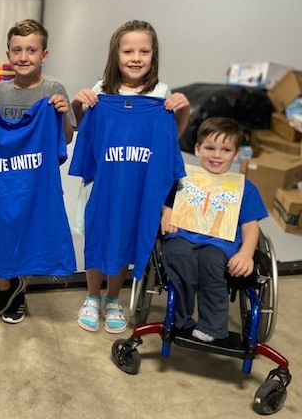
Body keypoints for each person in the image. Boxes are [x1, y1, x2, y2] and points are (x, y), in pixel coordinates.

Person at [70, 20, 190, 334]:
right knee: (98, 238)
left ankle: (113, 298)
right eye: (128, 51)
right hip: (102, 183)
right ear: (116, 54)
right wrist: (78, 104)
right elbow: (86, 130)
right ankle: (92, 296)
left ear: (154, 55)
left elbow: (169, 141)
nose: (136, 57)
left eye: (144, 51)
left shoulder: (161, 94)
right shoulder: (101, 91)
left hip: (138, 185)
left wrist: (183, 112)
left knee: (125, 237)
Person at [0, 19, 75, 324]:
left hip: (36, 180)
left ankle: (21, 291)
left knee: (32, 233)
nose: (23, 56)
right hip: (0, 178)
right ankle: (5, 287)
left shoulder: (54, 90)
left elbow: (66, 138)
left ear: (44, 55)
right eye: (16, 50)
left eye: (31, 50)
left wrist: (60, 115)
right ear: (8, 53)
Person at [160, 117, 267, 342]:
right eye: (210, 148)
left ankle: (213, 326)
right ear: (198, 149)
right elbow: (167, 202)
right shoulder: (183, 178)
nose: (217, 155)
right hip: (184, 236)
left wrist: (246, 253)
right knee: (177, 254)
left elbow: (250, 225)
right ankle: (180, 317)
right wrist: (167, 213)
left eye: (225, 150)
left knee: (210, 261)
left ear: (236, 154)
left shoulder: (245, 188)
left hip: (220, 244)